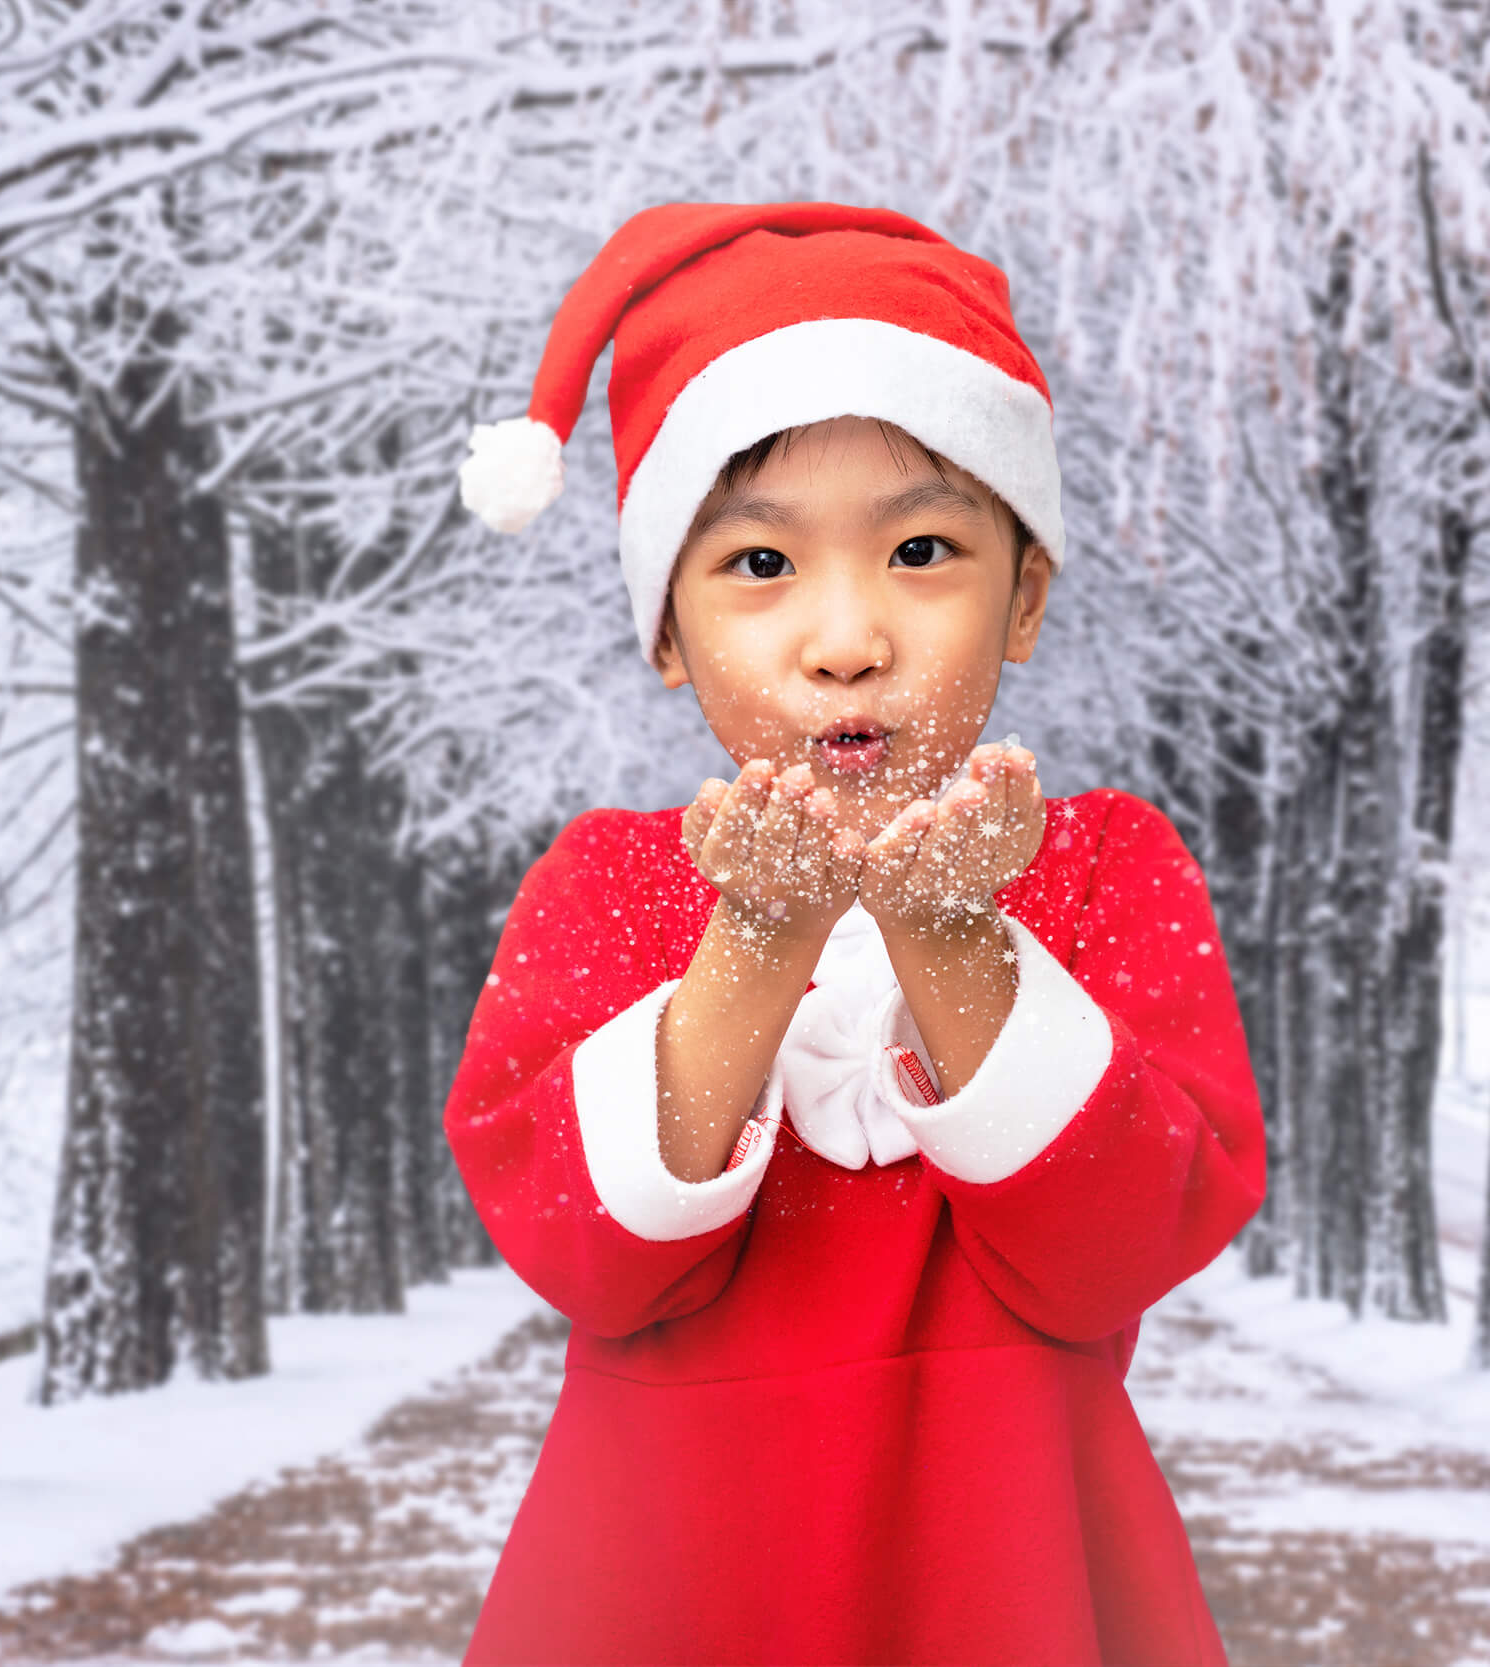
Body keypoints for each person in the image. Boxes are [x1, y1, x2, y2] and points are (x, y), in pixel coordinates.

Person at [442, 201, 1266, 1666]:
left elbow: (1119, 1250)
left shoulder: (1100, 868)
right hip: (667, 1584)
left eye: (922, 549)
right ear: (665, 628)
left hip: (1010, 1573)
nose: (845, 641)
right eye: (760, 566)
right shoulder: (607, 884)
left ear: (1024, 598)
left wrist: (954, 938)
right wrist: (758, 941)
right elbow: (583, 1254)